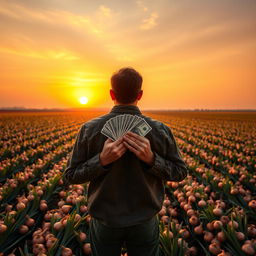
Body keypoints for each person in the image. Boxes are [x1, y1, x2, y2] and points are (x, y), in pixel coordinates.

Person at [62, 67, 188, 256]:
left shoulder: (89, 129)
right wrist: (154, 161)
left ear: (111, 93)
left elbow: (71, 175)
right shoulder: (160, 130)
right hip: (144, 219)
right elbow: (180, 172)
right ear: (141, 94)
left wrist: (100, 162)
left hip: (105, 221)